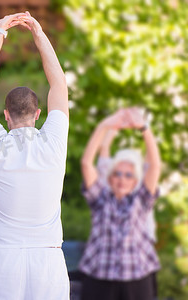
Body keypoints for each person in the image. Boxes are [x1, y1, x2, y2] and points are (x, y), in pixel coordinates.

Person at [0, 12, 70, 299]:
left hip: (2, 259)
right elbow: (59, 85)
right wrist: (38, 34)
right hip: (47, 260)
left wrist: (0, 31)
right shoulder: (53, 141)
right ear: (38, 114)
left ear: (5, 115)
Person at [79, 108, 161, 300]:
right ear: (110, 176)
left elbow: (155, 166)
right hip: (100, 277)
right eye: (117, 173)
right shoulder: (100, 198)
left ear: (135, 181)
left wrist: (144, 128)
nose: (122, 179)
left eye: (128, 175)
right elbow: (86, 163)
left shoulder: (142, 200)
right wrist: (104, 126)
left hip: (137, 278)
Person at [96, 127, 159, 298]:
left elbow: (152, 164)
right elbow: (104, 162)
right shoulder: (111, 187)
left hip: (139, 259)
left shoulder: (142, 188)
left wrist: (114, 129)